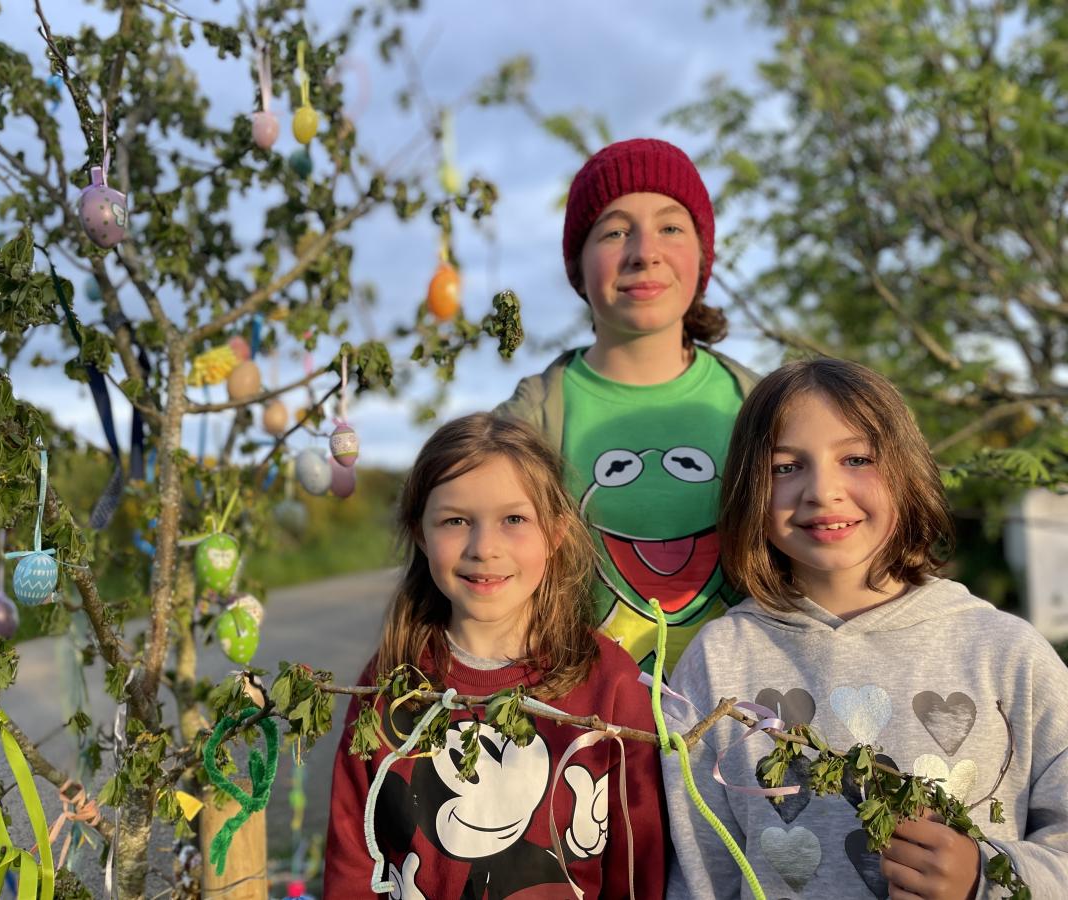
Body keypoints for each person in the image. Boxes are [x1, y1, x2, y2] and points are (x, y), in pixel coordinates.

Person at [661, 358, 1068, 898]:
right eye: (786, 467)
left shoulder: (1008, 654)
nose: (822, 491)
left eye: (856, 458)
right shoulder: (717, 664)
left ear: (909, 472)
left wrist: (983, 876)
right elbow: (700, 875)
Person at [323, 413, 668, 899]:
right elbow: (352, 862)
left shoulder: (610, 685)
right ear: (420, 533)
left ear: (557, 532)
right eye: (456, 520)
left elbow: (639, 867)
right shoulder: (388, 685)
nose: (484, 548)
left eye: (514, 519)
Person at [497, 138, 758, 677]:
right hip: (588, 730)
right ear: (577, 264)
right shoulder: (533, 417)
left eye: (670, 227)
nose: (644, 251)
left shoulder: (761, 405)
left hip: (740, 726)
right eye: (615, 231)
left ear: (703, 255)